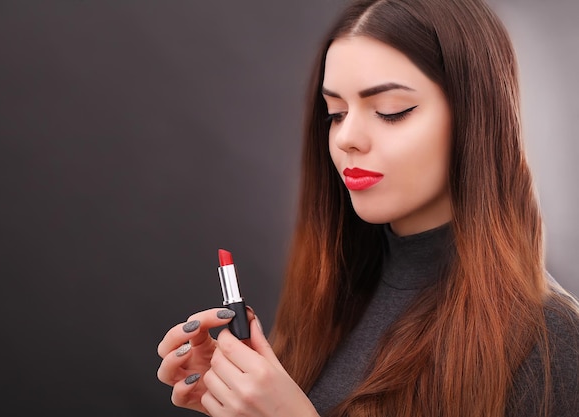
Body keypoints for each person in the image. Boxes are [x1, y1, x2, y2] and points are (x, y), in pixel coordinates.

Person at [156, 0, 579, 415]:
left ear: (476, 117)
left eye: (390, 111)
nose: (346, 138)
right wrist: (237, 400)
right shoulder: (332, 302)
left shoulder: (551, 338)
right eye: (336, 113)